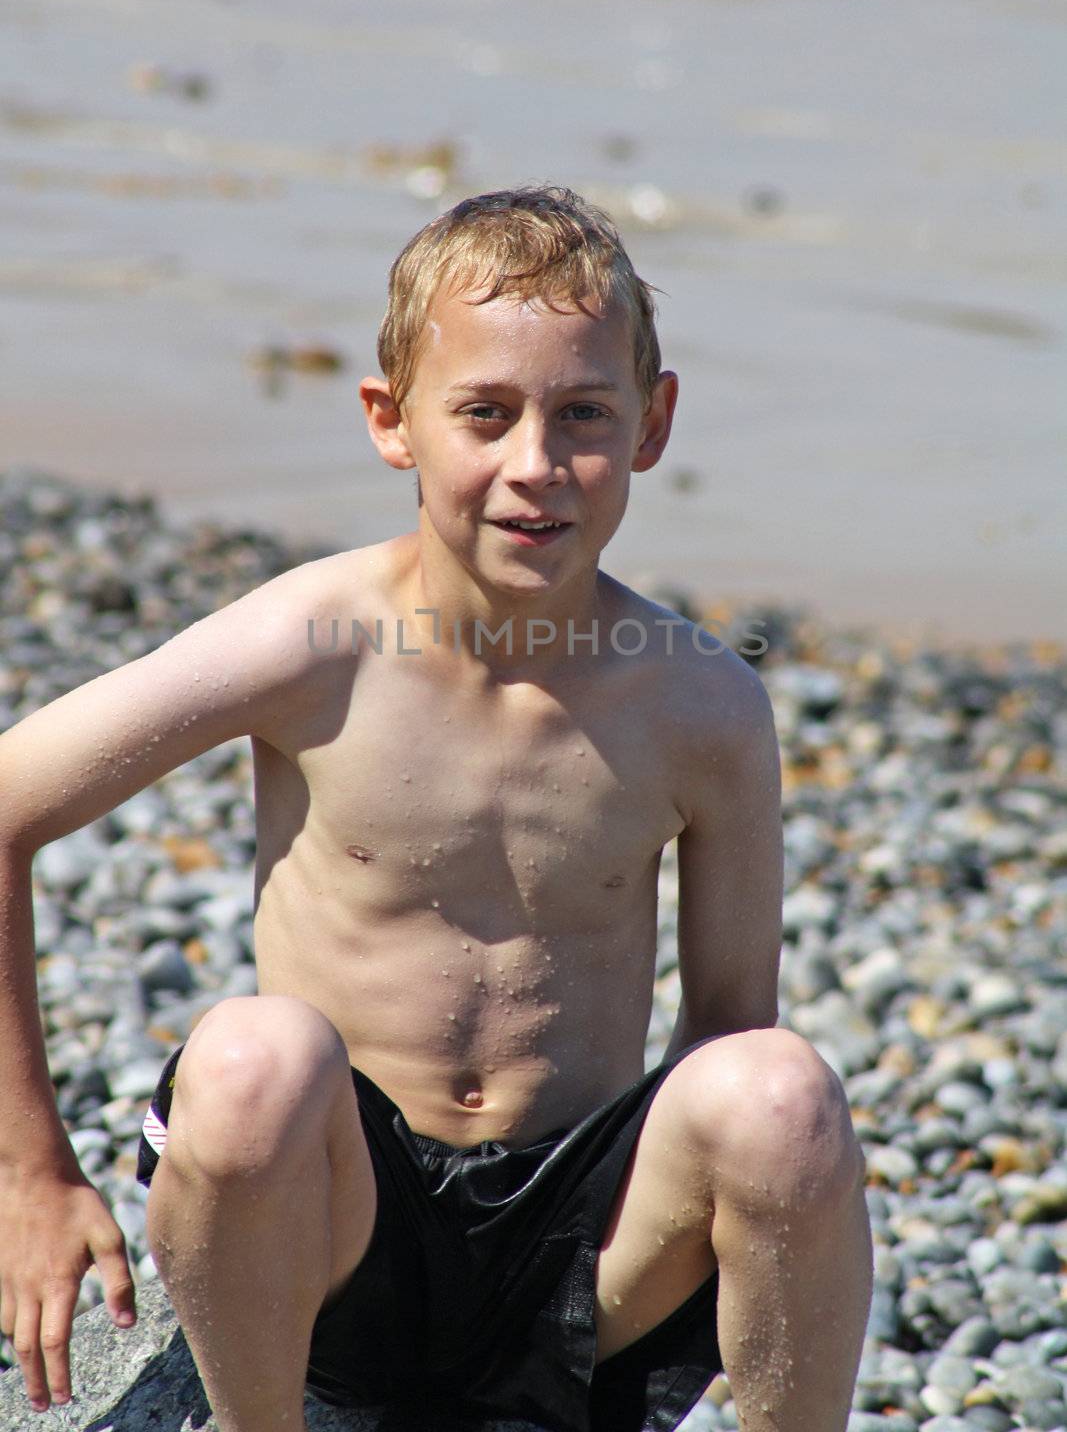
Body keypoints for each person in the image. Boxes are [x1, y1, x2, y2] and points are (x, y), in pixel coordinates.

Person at [0, 185, 872, 1432]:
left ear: (652, 421)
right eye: (483, 414)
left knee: (780, 1092)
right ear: (390, 421)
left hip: (578, 1262)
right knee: (253, 1059)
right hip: (336, 1241)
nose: (535, 464)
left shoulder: (702, 704)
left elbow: (728, 1042)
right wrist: (27, 1171)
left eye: (581, 413)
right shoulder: (313, 645)